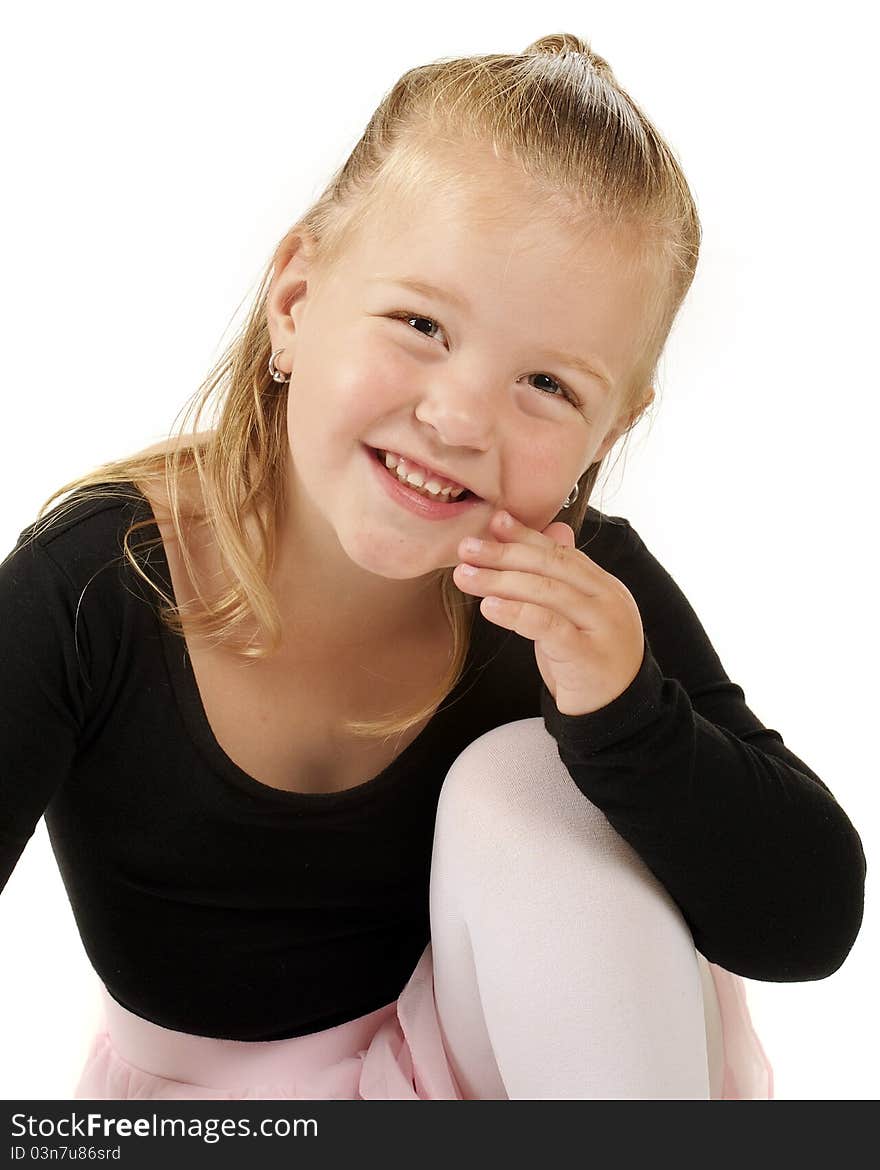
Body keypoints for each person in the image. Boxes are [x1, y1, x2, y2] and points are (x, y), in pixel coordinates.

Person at [0, 32, 866, 1101]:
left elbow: (809, 923)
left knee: (525, 783)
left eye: (546, 385)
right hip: (203, 1115)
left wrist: (625, 716)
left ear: (608, 430)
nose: (457, 417)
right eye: (419, 324)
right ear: (295, 299)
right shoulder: (93, 585)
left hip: (506, 1075)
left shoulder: (580, 595)